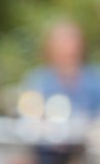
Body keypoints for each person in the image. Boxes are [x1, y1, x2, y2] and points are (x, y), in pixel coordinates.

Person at [22, 21, 100, 164]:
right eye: (62, 41)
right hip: (45, 151)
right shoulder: (39, 80)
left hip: (85, 151)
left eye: (71, 40)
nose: (67, 47)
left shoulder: (94, 79)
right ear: (50, 46)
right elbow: (28, 118)